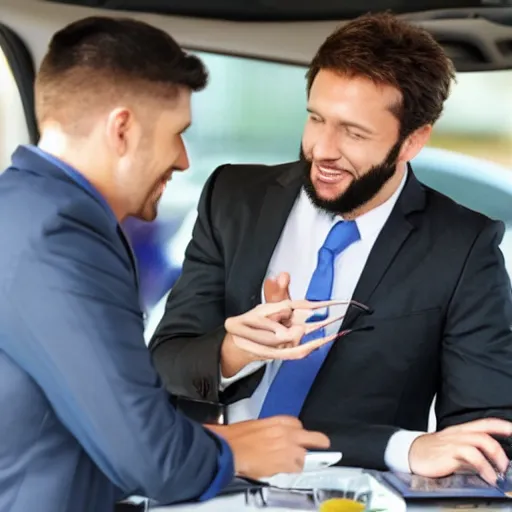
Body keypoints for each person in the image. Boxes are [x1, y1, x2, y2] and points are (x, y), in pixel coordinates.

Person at [150, 12, 512, 485]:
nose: (322, 148)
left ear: (412, 141)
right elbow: (163, 364)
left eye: (354, 133)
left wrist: (398, 448)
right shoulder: (232, 197)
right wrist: (236, 350)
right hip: (204, 481)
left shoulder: (463, 246)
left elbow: (484, 441)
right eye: (316, 118)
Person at [0, 16, 331, 512]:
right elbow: (154, 461)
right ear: (122, 129)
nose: (182, 159)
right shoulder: (60, 235)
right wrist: (235, 448)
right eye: (177, 133)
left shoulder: (22, 208)